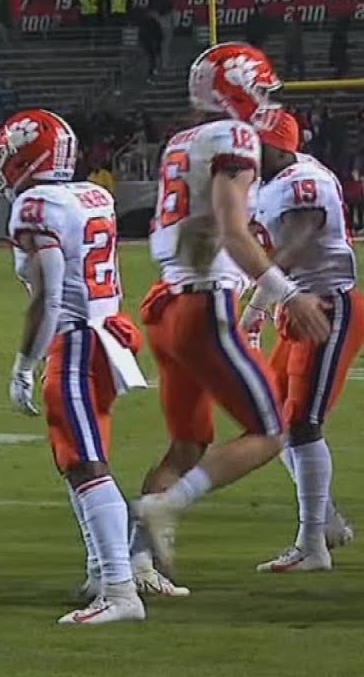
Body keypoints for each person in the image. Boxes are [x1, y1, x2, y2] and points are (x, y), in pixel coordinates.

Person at [133, 43, 332, 577]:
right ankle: (165, 506)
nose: (266, 103)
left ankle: (133, 566)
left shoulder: (181, 141)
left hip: (166, 307)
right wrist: (286, 292)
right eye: (260, 90)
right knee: (269, 431)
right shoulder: (235, 136)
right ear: (238, 90)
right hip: (203, 306)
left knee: (188, 443)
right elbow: (231, 231)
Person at [0, 109, 147, 625]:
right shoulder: (90, 194)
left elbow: (49, 295)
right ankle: (104, 571)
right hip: (109, 333)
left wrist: (22, 364)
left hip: (77, 341)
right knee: (82, 458)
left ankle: (121, 592)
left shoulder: (36, 206)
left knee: (85, 464)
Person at [245, 111, 360, 572]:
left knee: (302, 423)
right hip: (297, 307)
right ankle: (325, 519)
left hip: (327, 308)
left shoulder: (303, 180)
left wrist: (255, 301)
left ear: (276, 145)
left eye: (255, 142)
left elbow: (291, 248)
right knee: (270, 419)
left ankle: (312, 544)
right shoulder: (271, 180)